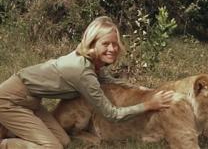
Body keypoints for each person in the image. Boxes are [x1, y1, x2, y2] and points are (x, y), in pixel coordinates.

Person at [0, 16, 174, 149]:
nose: (112, 49)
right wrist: (148, 104)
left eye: (115, 44)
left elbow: (110, 80)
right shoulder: (83, 72)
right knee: (53, 147)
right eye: (106, 43)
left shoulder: (93, 64)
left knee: (64, 140)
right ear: (92, 43)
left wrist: (147, 90)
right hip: (9, 100)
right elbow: (112, 114)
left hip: (32, 102)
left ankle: (11, 128)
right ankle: (6, 144)